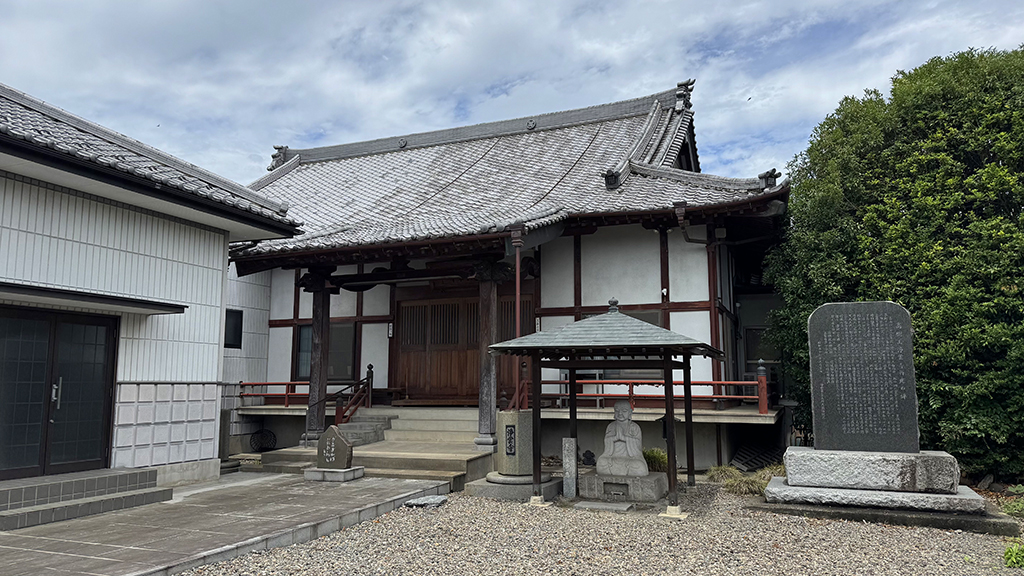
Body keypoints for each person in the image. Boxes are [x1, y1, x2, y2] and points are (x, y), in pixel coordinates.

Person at [596, 400, 649, 476]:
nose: (620, 413)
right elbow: (607, 441)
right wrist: (614, 438)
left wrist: (624, 438)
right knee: (601, 462)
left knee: (639, 467)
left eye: (624, 411)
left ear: (630, 412)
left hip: (630, 459)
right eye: (617, 411)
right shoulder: (611, 426)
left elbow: (637, 443)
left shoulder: (634, 427)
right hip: (613, 458)